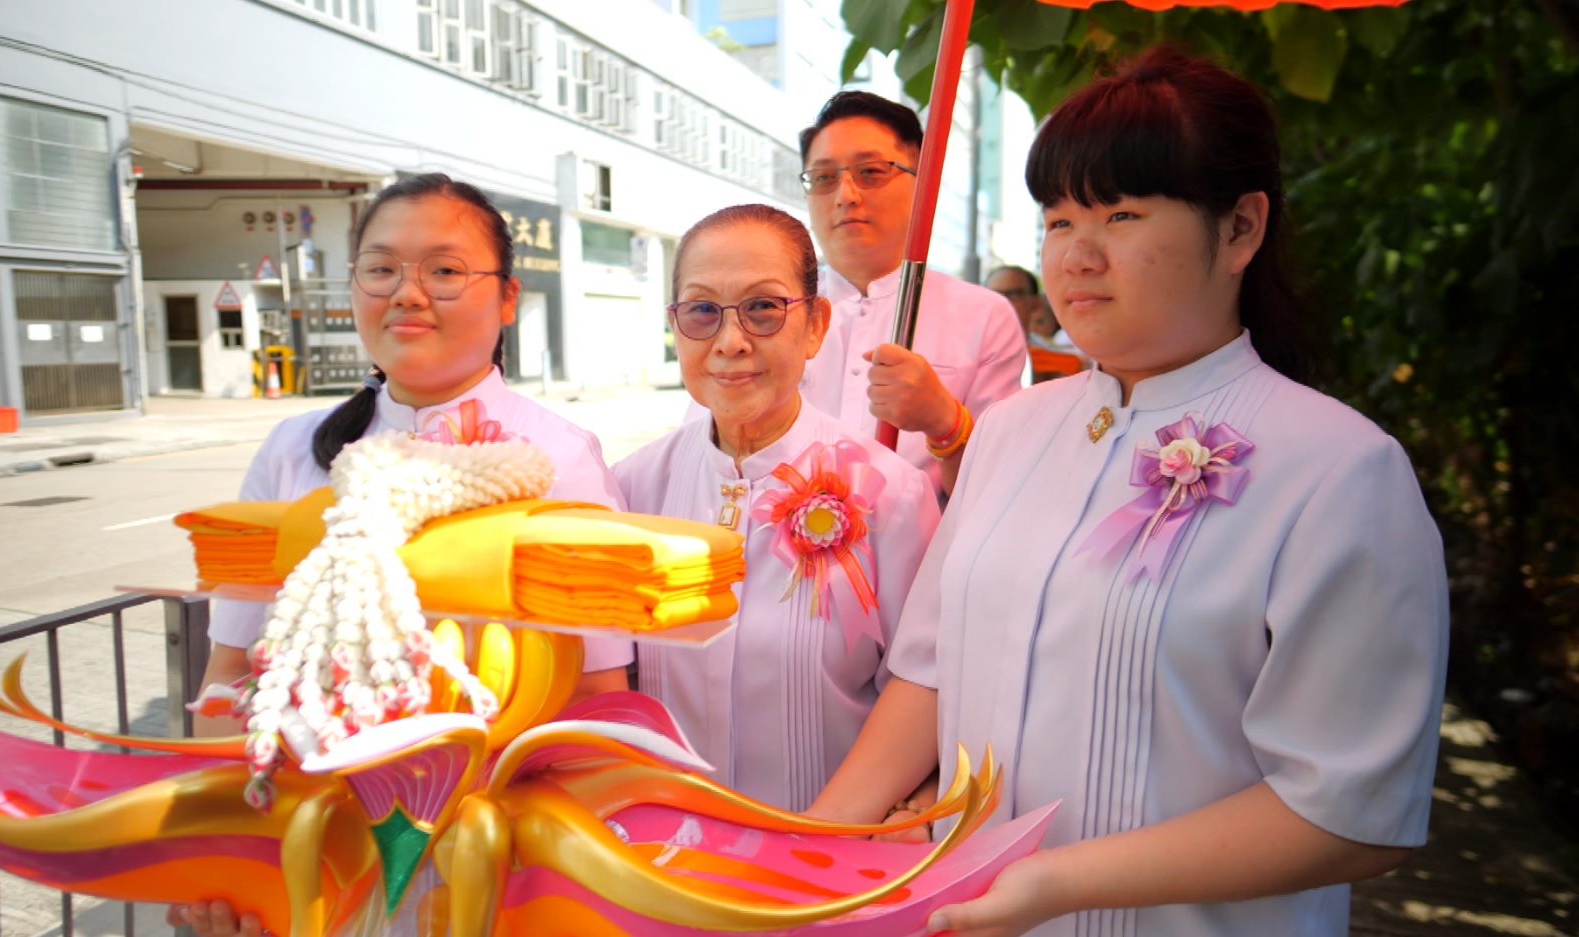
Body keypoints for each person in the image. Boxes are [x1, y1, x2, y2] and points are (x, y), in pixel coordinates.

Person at [808, 47, 1448, 937]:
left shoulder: (1339, 471)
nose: (1077, 253)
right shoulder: (1009, 430)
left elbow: (1349, 807)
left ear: (1240, 230)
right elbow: (927, 669)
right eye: (1059, 219)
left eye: (1120, 212)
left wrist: (1054, 881)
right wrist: (809, 856)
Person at [191, 172, 632, 740]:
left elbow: (596, 693)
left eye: (444, 271)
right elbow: (230, 671)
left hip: (490, 804)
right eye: (380, 270)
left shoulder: (559, 457)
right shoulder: (291, 449)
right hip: (306, 798)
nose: (407, 292)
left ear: (507, 298)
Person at [615, 204, 940, 813]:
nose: (731, 343)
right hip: (665, 854)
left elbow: (924, 681)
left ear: (815, 325)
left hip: (830, 853)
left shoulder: (890, 496)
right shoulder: (631, 491)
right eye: (702, 311)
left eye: (763, 308)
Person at [799, 91, 1027, 497]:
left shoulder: (983, 315)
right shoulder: (773, 313)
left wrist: (945, 422)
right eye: (824, 177)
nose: (845, 195)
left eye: (870, 172)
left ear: (925, 184)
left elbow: (1003, 491)